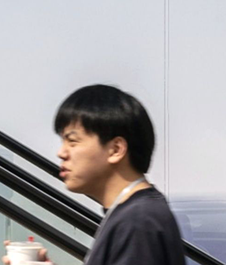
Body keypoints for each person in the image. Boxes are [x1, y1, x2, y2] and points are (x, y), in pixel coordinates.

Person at [53, 85, 183, 265]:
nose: (61, 152)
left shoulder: (137, 222)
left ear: (116, 149)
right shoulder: (134, 213)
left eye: (72, 141)